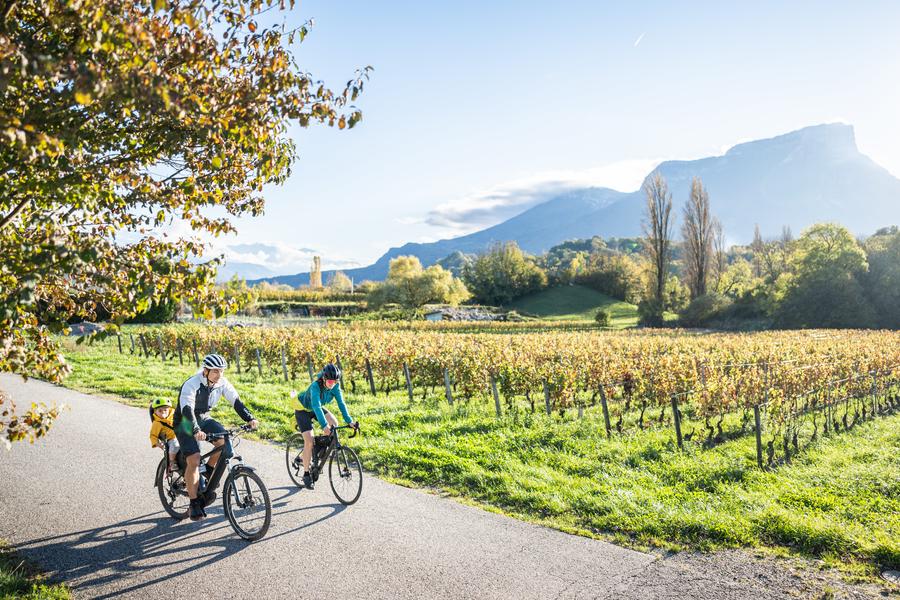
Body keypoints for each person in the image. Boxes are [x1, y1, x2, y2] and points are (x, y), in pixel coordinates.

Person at [174, 353, 259, 521]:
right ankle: (194, 502)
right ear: (205, 371)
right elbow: (187, 410)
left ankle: (207, 474)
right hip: (184, 421)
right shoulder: (191, 384)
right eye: (215, 371)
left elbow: (236, 401)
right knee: (194, 459)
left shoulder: (222, 383)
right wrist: (196, 429)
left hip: (204, 417)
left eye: (222, 371)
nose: (219, 375)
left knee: (224, 444)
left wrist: (250, 418)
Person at [292, 362, 357, 489]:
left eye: (335, 381)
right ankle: (306, 474)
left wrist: (349, 421)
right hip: (303, 410)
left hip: (317, 409)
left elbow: (341, 404)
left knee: (335, 423)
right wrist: (324, 426)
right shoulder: (315, 386)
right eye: (330, 381)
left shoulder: (335, 387)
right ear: (324, 378)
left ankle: (319, 447)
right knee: (309, 441)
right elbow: (316, 406)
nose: (332, 384)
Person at [149, 398, 179, 472]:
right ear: (155, 411)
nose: (163, 413)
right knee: (175, 444)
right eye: (160, 410)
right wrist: (158, 443)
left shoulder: (175, 415)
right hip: (170, 439)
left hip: (180, 435)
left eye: (165, 410)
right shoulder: (157, 423)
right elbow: (153, 435)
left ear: (169, 409)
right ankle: (172, 462)